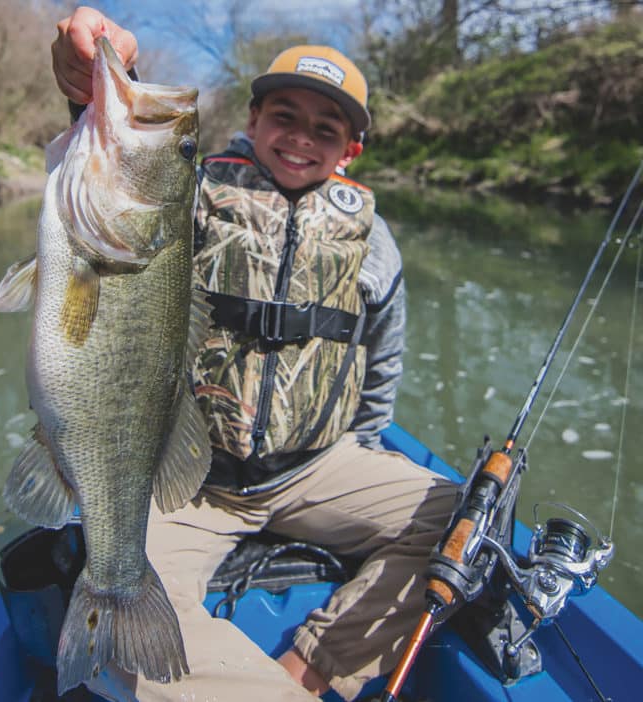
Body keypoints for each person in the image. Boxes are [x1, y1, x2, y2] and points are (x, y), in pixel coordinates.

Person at [51, 6, 457, 701]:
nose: (300, 139)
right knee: (121, 612)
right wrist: (97, 84)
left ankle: (312, 668)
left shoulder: (375, 241)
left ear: (350, 150)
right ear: (253, 115)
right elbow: (133, 180)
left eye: (325, 129)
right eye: (285, 117)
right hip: (191, 482)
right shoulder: (198, 193)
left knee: (465, 522)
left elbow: (383, 358)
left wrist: (364, 444)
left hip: (316, 468)